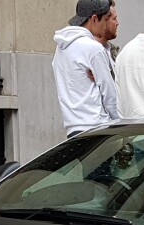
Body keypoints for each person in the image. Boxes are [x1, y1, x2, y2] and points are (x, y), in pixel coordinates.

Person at [53, 0, 121, 138]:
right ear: (94, 19)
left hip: (73, 129)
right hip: (97, 127)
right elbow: (109, 96)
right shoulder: (93, 48)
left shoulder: (61, 47)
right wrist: (121, 125)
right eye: (106, 18)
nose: (106, 24)